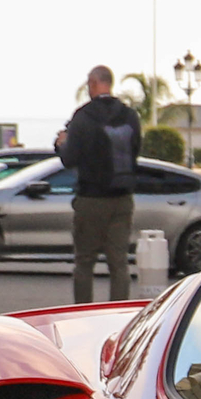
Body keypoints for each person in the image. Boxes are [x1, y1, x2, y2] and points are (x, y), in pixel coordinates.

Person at [60, 63, 144, 304]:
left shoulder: (83, 116)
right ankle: (117, 313)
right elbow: (136, 149)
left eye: (89, 83)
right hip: (122, 198)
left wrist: (61, 144)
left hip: (91, 198)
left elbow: (69, 158)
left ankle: (84, 313)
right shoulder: (129, 115)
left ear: (95, 84)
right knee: (118, 263)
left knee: (84, 262)